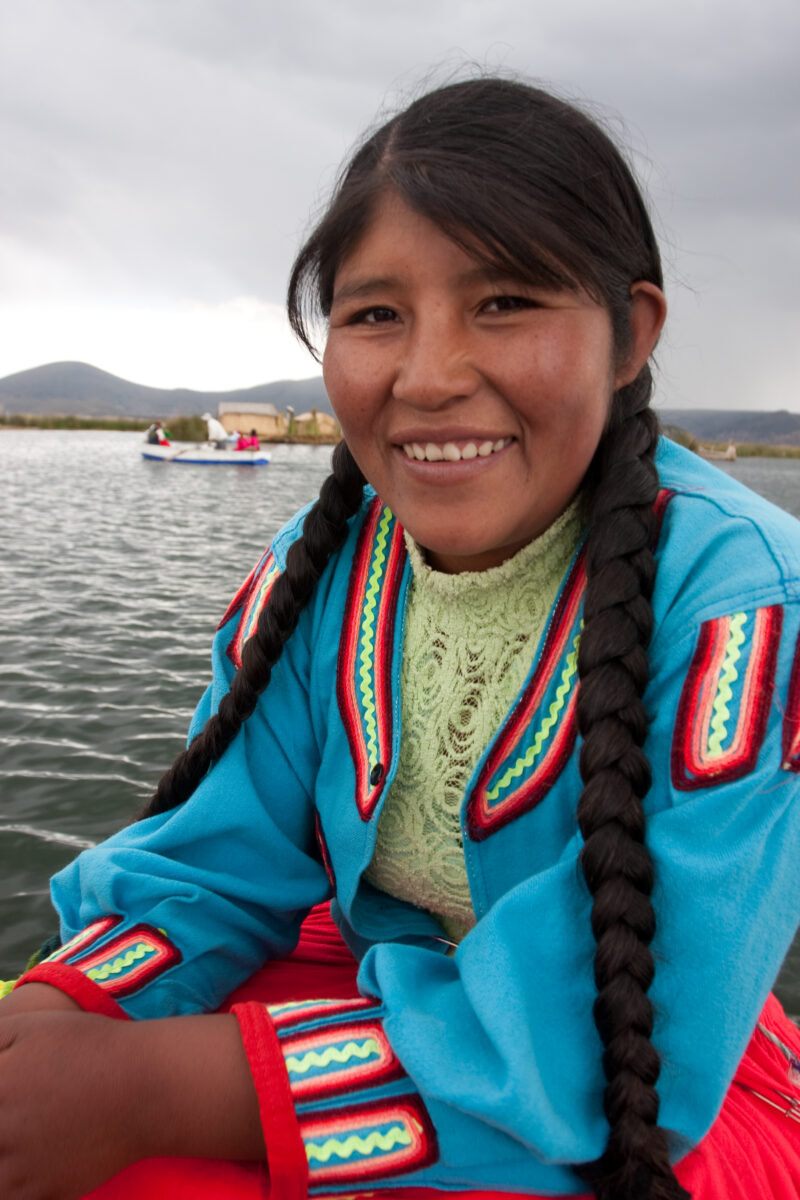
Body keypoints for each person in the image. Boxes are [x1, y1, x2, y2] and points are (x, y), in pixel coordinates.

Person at [2, 77, 800, 1200]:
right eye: (375, 314)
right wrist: (49, 1029)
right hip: (386, 978)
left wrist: (152, 1090)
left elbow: (633, 1044)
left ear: (631, 334)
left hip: (638, 1083)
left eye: (505, 302)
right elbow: (215, 860)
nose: (426, 378)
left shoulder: (742, 607)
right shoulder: (322, 566)